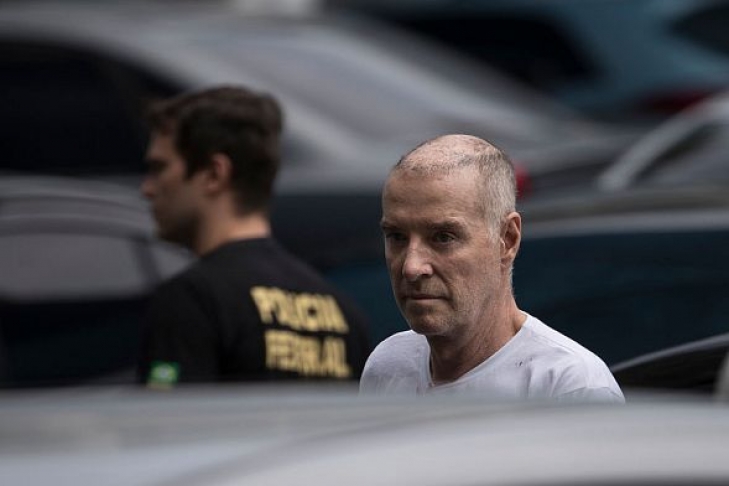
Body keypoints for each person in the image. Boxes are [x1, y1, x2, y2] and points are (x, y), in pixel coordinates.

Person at [360, 134, 624, 403]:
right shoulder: (388, 367)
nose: (411, 267)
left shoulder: (570, 387)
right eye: (397, 237)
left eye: (443, 237)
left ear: (507, 239)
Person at [137, 86, 370, 388]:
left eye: (159, 168)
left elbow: (166, 415)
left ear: (214, 174)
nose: (147, 188)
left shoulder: (191, 300)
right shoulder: (342, 312)